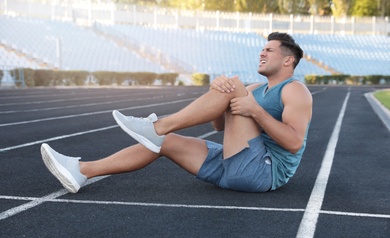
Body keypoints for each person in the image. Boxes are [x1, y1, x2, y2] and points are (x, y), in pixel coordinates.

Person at [41, 32, 312, 194]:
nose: (262, 53)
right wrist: (218, 93)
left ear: (288, 60)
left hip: (263, 173)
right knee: (164, 143)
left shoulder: (295, 90)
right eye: (262, 49)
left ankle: (158, 126)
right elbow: (219, 126)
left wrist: (254, 111)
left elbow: (294, 142)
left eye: (269, 50)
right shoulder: (254, 88)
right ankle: (81, 171)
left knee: (232, 87)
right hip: (232, 167)